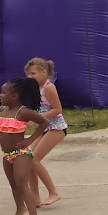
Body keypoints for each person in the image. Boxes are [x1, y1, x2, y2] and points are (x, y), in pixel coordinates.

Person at [0, 77, 49, 215]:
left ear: (14, 96)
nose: (0, 95)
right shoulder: (2, 110)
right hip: (7, 154)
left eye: (3, 92)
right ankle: (20, 208)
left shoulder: (23, 112)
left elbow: (44, 122)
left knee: (22, 185)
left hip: (21, 153)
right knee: (13, 185)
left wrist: (31, 139)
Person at [25, 58, 67, 207]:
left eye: (33, 73)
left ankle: (53, 192)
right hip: (43, 127)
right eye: (28, 74)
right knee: (27, 158)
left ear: (44, 72)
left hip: (56, 127)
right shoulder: (35, 88)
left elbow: (57, 109)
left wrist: (39, 117)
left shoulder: (49, 87)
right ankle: (35, 197)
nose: (30, 77)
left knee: (34, 160)